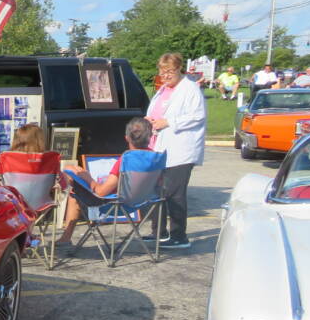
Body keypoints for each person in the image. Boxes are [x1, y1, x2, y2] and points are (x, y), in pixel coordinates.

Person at [57, 117, 154, 245]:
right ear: (150, 136)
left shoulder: (125, 160)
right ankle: (67, 237)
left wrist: (87, 177)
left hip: (114, 203)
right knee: (73, 171)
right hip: (141, 202)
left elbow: (101, 192)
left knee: (73, 188)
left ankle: (66, 237)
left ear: (127, 138)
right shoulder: (155, 157)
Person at [147, 52, 206, 249]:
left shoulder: (190, 89)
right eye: (162, 72)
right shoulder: (163, 89)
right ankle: (158, 233)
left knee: (174, 193)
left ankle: (179, 235)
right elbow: (156, 112)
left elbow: (198, 116)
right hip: (159, 147)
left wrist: (169, 122)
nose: (165, 76)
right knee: (157, 191)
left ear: (179, 69)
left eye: (169, 72)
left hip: (181, 149)